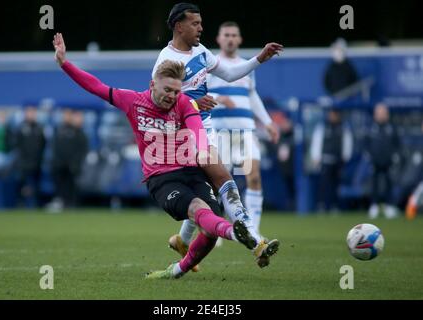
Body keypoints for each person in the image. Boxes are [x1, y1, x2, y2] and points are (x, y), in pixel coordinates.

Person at [52, 32, 279, 279]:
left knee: (211, 227)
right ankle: (240, 235)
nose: (172, 96)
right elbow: (95, 86)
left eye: (176, 91)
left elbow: (196, 127)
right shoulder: (132, 101)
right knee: (199, 210)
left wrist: (203, 148)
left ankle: (176, 271)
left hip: (191, 172)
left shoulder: (183, 102)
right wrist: (65, 63)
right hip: (163, 179)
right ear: (152, 84)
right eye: (167, 90)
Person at [153, 3, 282, 269]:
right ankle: (254, 240)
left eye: (201, 23)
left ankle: (186, 241)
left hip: (205, 131)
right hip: (183, 136)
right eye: (195, 23)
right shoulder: (166, 61)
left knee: (216, 187)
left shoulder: (200, 52)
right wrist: (196, 105)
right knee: (221, 182)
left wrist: (260, 58)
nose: (201, 28)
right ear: (179, 26)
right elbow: (160, 103)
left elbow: (230, 73)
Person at [206, 21, 280, 238]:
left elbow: (252, 94)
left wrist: (267, 121)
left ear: (239, 39)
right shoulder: (211, 64)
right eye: (226, 34)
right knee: (218, 184)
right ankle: (216, 229)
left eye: (233, 35)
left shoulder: (247, 66)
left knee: (254, 177)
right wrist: (219, 98)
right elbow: (197, 94)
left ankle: (253, 231)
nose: (230, 38)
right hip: (220, 134)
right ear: (219, 39)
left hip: (246, 132)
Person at [310, 109, 353, 212]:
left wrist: (346, 156)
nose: (332, 116)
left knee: (336, 185)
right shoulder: (323, 127)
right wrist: (316, 157)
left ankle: (335, 206)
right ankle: (322, 205)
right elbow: (316, 142)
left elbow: (348, 143)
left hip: (338, 160)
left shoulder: (343, 127)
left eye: (334, 114)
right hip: (325, 159)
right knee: (323, 184)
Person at [365, 103, 400, 219]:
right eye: (378, 113)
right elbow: (366, 144)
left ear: (387, 114)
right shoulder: (371, 128)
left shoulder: (392, 128)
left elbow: (397, 144)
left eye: (383, 113)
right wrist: (369, 156)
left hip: (388, 161)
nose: (380, 115)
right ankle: (374, 206)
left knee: (389, 183)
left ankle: (389, 206)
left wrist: (395, 156)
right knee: (374, 184)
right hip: (374, 161)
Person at [49, 108, 88, 211]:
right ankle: (60, 202)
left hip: (72, 165)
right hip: (60, 164)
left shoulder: (77, 132)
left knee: (72, 185)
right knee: (60, 185)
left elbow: (82, 149)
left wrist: (75, 162)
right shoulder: (59, 130)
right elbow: (55, 146)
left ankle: (72, 204)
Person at [14, 106, 46, 208]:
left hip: (36, 161)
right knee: (22, 183)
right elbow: (17, 144)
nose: (31, 115)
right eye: (29, 112)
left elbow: (43, 143)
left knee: (36, 184)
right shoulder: (21, 127)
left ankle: (36, 204)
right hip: (24, 161)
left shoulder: (39, 127)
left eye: (33, 113)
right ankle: (21, 203)